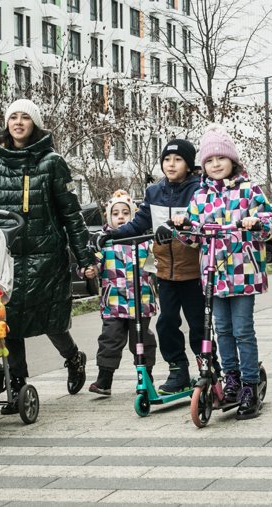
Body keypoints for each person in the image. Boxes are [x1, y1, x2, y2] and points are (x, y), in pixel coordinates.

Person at [0, 98, 96, 414]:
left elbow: (70, 214)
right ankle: (16, 384)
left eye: (25, 117)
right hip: (7, 257)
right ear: (6, 123)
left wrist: (85, 257)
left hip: (46, 256)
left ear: (34, 124)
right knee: (8, 322)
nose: (18, 122)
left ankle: (73, 357)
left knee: (51, 319)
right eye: (13, 117)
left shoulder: (51, 162)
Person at [172, 124, 272, 420]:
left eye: (221, 158)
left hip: (243, 274)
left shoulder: (249, 189)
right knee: (223, 330)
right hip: (213, 277)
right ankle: (230, 382)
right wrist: (183, 227)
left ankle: (249, 387)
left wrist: (256, 223)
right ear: (203, 165)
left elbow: (270, 222)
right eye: (209, 160)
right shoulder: (200, 196)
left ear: (232, 160)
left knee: (243, 330)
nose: (216, 164)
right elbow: (193, 237)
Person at [94, 139, 206, 394]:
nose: (171, 164)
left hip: (192, 270)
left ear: (189, 165)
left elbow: (200, 221)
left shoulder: (199, 191)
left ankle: (206, 366)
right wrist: (112, 235)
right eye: (167, 159)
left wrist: (179, 227)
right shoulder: (155, 192)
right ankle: (177, 368)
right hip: (166, 271)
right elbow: (140, 221)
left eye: (178, 160)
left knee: (198, 323)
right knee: (166, 323)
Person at [85, 190, 157, 396]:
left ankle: (146, 376)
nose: (121, 217)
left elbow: (155, 266)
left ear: (134, 216)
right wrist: (89, 269)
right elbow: (93, 262)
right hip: (114, 302)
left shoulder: (144, 240)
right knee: (110, 339)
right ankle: (104, 379)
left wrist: (158, 267)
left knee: (143, 340)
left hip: (141, 300)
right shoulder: (105, 242)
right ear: (109, 217)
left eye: (126, 213)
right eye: (115, 214)